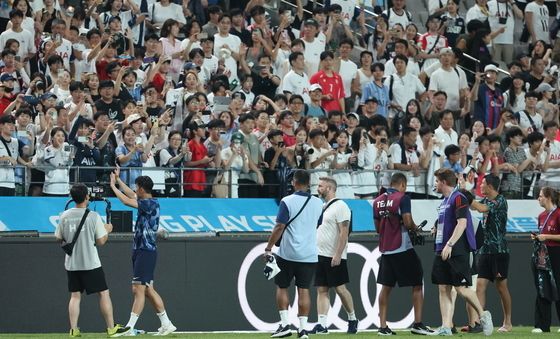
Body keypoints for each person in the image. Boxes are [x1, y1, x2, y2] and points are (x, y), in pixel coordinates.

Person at [55, 183, 129, 338]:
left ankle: (73, 330)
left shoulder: (64, 215)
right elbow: (101, 241)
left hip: (72, 264)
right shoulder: (93, 216)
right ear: (87, 196)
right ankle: (111, 328)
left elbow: (58, 237)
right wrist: (107, 230)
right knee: (103, 293)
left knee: (75, 296)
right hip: (91, 263)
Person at [109, 172, 177, 336]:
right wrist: (118, 179)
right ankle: (167, 323)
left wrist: (112, 186)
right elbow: (130, 194)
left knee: (137, 289)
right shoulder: (146, 199)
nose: (134, 189)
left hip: (145, 251)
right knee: (147, 290)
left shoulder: (149, 203)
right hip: (141, 249)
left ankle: (130, 327)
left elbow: (126, 200)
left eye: (136, 187)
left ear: (141, 189)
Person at [431, 168, 494, 336]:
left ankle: (483, 315)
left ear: (444, 182)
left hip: (456, 250)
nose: (435, 184)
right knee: (443, 288)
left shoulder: (459, 197)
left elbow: (462, 223)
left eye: (437, 181)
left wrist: (450, 244)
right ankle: (445, 326)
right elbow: (447, 224)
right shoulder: (444, 201)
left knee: (460, 288)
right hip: (441, 248)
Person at [264, 169, 323, 339]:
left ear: (294, 182)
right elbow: (316, 224)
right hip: (310, 254)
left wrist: (268, 248)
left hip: (288, 253)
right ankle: (303, 329)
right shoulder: (318, 203)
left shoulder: (287, 201)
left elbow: (279, 226)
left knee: (282, 286)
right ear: (308, 183)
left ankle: (284, 325)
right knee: (304, 290)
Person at [372, 172, 433, 336]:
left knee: (386, 288)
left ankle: (383, 327)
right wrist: (415, 229)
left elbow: (378, 229)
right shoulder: (403, 198)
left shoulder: (377, 201)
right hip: (402, 248)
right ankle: (418, 324)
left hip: (386, 249)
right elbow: (407, 221)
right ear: (403, 185)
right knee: (417, 283)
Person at [310, 177, 358, 335]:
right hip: (320, 255)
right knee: (322, 290)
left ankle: (352, 318)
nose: (318, 188)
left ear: (330, 188)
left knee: (340, 289)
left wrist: (338, 254)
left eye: (320, 186)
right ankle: (322, 325)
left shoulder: (341, 206)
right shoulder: (323, 207)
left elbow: (344, 232)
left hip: (334, 255)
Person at [468, 174, 512, 332]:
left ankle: (508, 321)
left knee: (501, 287)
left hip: (499, 250)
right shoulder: (486, 200)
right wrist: (464, 191)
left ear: (491, 186)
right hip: (485, 250)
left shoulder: (500, 200)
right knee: (479, 286)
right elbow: (475, 206)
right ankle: (481, 322)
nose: (480, 186)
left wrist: (468, 197)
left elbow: (481, 208)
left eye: (483, 183)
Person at [531, 186, 560, 333]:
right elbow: (543, 234)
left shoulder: (559, 214)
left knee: (558, 287)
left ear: (548, 198)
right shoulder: (541, 216)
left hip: (556, 253)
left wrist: (547, 237)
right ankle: (542, 325)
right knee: (542, 287)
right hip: (542, 254)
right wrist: (537, 237)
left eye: (541, 196)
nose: (539, 198)